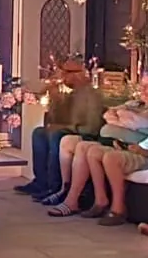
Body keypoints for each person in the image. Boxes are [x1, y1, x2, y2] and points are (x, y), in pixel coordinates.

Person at [47, 68, 148, 226]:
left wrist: (123, 116)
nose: (143, 90)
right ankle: (89, 198)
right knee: (84, 148)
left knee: (93, 150)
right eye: (142, 85)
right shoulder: (134, 103)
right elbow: (108, 114)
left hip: (132, 148)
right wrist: (123, 116)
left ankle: (87, 202)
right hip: (113, 142)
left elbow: (135, 122)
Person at [15, 59, 104, 198]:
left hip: (86, 135)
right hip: (69, 131)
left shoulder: (92, 96)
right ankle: (41, 182)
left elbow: (92, 128)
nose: (62, 76)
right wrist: (54, 99)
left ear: (79, 74)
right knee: (39, 133)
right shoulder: (71, 94)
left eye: (66, 72)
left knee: (56, 135)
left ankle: (55, 186)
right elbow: (54, 121)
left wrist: (65, 127)